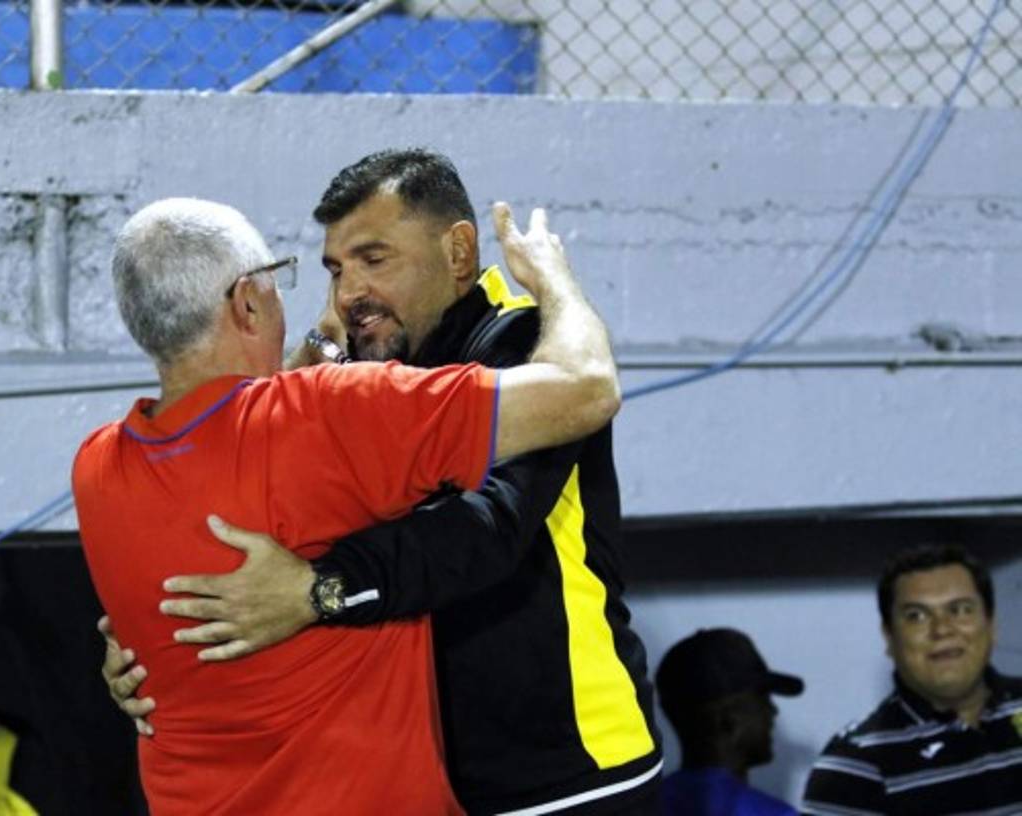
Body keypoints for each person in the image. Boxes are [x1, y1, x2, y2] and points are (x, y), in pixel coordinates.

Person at [102, 150, 662, 814]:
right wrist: (147, 646)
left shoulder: (528, 345)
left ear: (458, 252)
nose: (349, 292)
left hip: (569, 768)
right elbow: (251, 495)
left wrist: (318, 590)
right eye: (336, 270)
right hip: (434, 779)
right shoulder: (366, 374)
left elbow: (489, 527)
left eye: (375, 259)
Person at [802, 544, 1022, 815]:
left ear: (991, 625)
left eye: (961, 610)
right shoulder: (854, 763)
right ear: (889, 637)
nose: (942, 629)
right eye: (916, 616)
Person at [655, 628, 804, 816]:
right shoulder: (774, 814)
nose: (773, 711)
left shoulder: (641, 806)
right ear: (729, 720)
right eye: (763, 698)